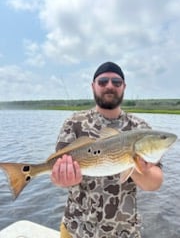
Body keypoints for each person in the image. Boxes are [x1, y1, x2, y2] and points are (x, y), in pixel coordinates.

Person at [51, 61, 163, 238]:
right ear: (93, 86)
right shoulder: (74, 123)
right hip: (76, 229)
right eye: (103, 81)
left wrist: (132, 161)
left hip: (124, 232)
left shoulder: (140, 128)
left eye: (116, 82)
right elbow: (56, 176)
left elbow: (155, 183)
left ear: (124, 87)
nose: (109, 86)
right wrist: (62, 179)